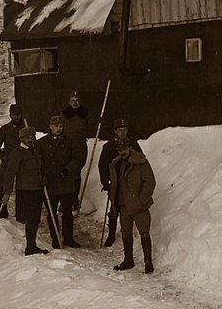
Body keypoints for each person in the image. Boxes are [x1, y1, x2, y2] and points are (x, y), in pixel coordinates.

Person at [109, 125, 156, 273]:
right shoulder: (116, 164)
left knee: (144, 232)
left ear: (130, 147)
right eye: (119, 150)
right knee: (126, 233)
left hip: (138, 204)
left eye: (124, 149)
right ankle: (128, 260)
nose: (122, 152)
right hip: (123, 204)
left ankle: (148, 261)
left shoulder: (141, 161)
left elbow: (150, 182)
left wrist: (141, 200)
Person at [39, 115, 86, 248]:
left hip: (66, 182)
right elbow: (37, 160)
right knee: (51, 212)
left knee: (67, 212)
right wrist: (42, 175)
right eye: (56, 126)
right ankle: (55, 239)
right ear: (50, 127)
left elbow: (77, 158)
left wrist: (68, 170)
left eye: (61, 126)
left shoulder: (70, 141)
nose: (59, 128)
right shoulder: (41, 143)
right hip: (50, 183)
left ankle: (68, 238)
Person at [2, 126, 47, 256]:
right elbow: (10, 173)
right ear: (21, 139)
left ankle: (32, 245)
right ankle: (30, 247)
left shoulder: (35, 151)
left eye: (32, 137)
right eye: (27, 138)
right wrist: (7, 192)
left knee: (35, 219)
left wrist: (43, 179)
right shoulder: (17, 153)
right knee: (31, 219)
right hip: (26, 191)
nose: (30, 140)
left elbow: (40, 168)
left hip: (37, 189)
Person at [97, 119, 139, 247]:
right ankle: (111, 235)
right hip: (115, 183)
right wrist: (106, 182)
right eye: (120, 130)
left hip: (130, 183)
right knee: (114, 209)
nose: (122, 133)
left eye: (125, 130)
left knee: (130, 207)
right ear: (115, 131)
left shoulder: (133, 144)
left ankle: (130, 233)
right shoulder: (109, 146)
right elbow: (102, 165)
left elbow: (140, 160)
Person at [0, 103, 25, 219]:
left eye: (19, 114)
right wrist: (4, 157)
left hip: (23, 162)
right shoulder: (5, 129)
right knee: (1, 185)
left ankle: (21, 214)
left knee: (22, 188)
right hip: (8, 162)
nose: (17, 117)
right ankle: (3, 211)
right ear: (10, 115)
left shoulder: (26, 129)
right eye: (14, 115)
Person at [61, 91, 89, 194]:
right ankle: (67, 196)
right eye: (72, 100)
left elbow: (93, 126)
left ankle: (75, 197)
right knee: (67, 170)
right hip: (67, 145)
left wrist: (99, 122)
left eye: (77, 100)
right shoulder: (64, 114)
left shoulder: (85, 113)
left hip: (80, 145)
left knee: (76, 171)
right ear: (69, 102)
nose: (75, 103)